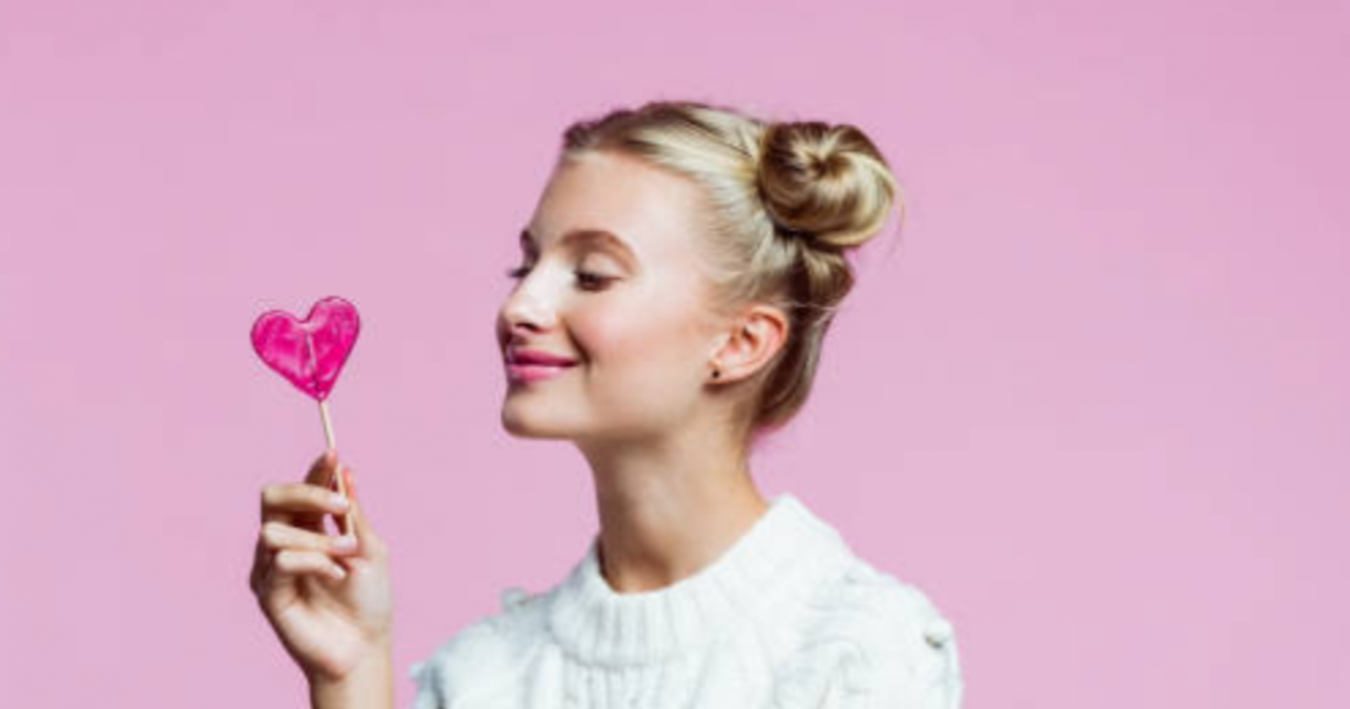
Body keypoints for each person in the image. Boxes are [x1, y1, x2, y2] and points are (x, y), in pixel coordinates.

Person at [249, 99, 964, 709]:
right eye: (526, 265)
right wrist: (351, 671)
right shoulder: (482, 677)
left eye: (591, 275)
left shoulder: (860, 653)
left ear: (742, 341)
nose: (520, 306)